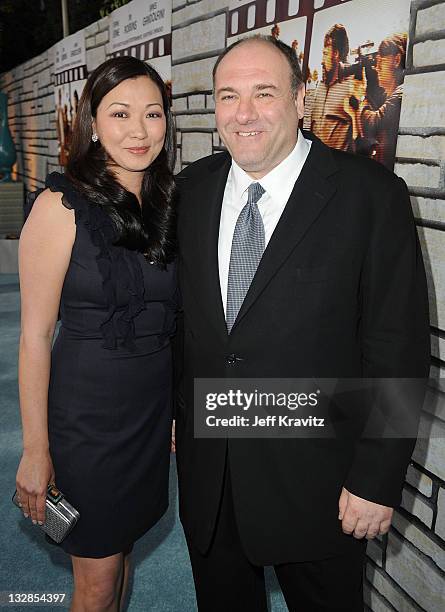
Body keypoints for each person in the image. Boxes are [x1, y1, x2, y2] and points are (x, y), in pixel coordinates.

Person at [175, 35, 430, 611]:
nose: (244, 114)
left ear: (298, 98)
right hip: (213, 481)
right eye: (228, 96)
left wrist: (375, 477)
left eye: (264, 93)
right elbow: (183, 325)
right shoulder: (190, 191)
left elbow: (397, 347)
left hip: (324, 488)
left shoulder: (371, 197)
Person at [15, 56, 177, 611]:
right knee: (97, 577)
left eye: (152, 114)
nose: (138, 131)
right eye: (121, 113)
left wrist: (176, 408)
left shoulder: (167, 204)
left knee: (121, 550)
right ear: (92, 122)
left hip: (150, 417)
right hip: (87, 425)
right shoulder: (60, 207)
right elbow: (33, 338)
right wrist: (36, 451)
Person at [344, 33, 407, 169]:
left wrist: (361, 97)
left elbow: (372, 125)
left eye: (380, 61)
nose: (376, 68)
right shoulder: (390, 97)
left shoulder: (402, 93)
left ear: (396, 60)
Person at [310, 23, 354, 151]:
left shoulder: (352, 86)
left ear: (336, 54)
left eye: (325, 54)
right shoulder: (320, 86)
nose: (322, 61)